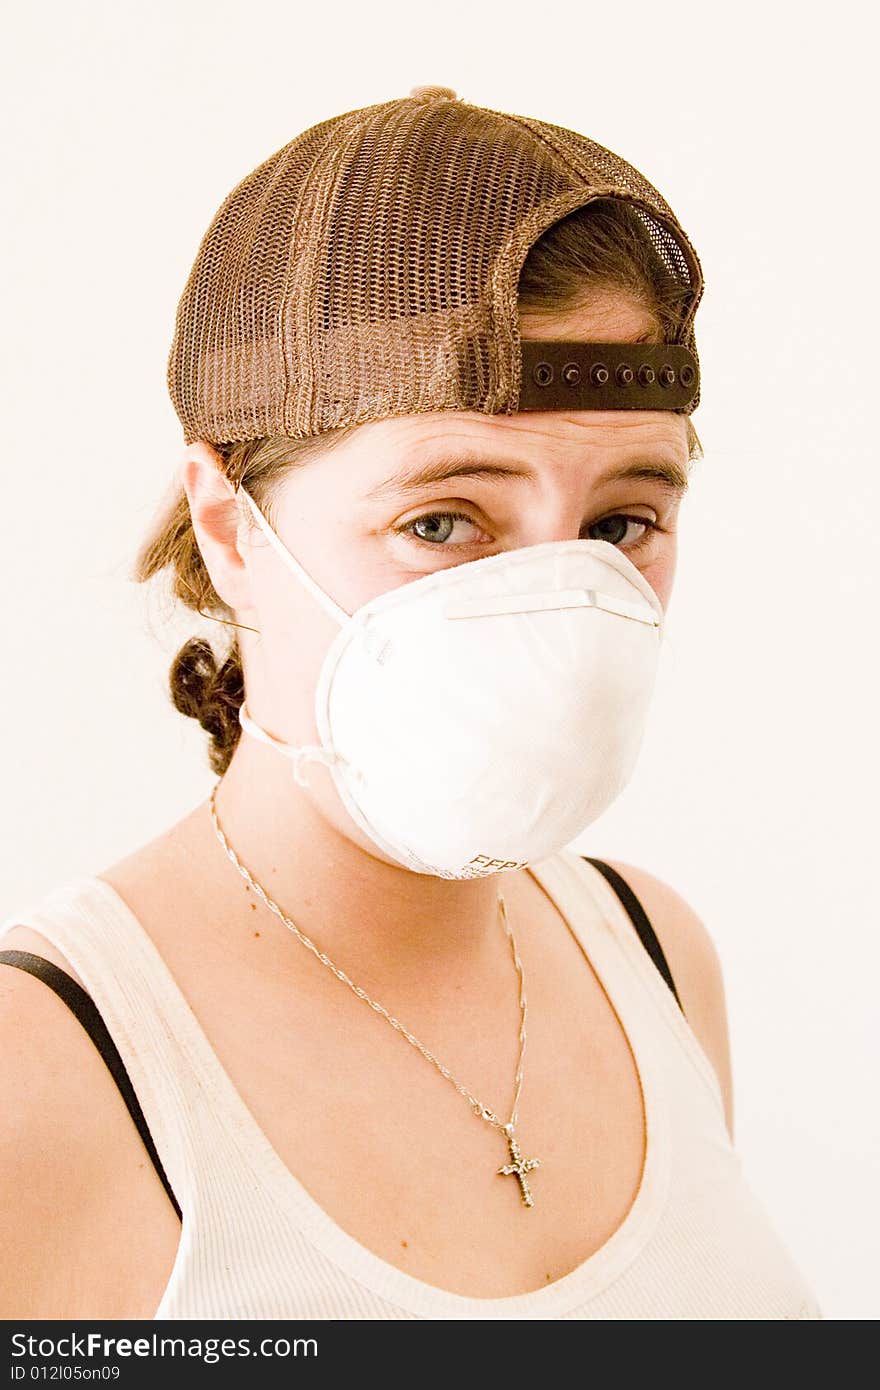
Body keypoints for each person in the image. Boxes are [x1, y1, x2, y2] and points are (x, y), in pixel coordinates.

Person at [0, 85, 822, 1321]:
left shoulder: (655, 955)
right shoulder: (48, 1074)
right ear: (230, 525)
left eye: (621, 524)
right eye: (442, 520)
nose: (554, 600)